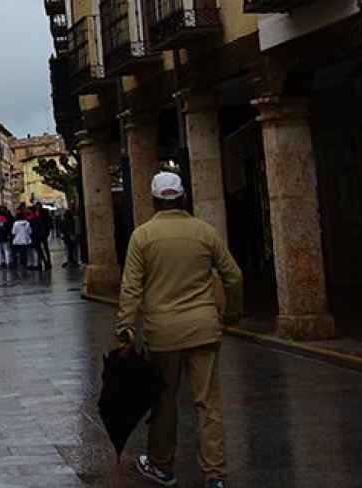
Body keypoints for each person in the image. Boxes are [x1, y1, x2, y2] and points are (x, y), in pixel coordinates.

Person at [116, 172, 243, 488]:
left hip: (163, 332)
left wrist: (126, 328)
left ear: (155, 200)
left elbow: (131, 287)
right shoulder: (205, 232)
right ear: (182, 197)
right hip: (203, 328)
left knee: (163, 401)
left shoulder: (142, 236)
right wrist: (230, 313)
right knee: (208, 404)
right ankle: (215, 475)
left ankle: (162, 466)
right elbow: (234, 276)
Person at [32, 202, 53, 270]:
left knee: (45, 248)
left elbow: (49, 222)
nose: (38, 208)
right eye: (37, 206)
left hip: (43, 233)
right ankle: (41, 263)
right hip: (36, 234)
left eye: (39, 206)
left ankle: (48, 262)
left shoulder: (45, 212)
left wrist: (47, 232)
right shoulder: (34, 212)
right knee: (39, 249)